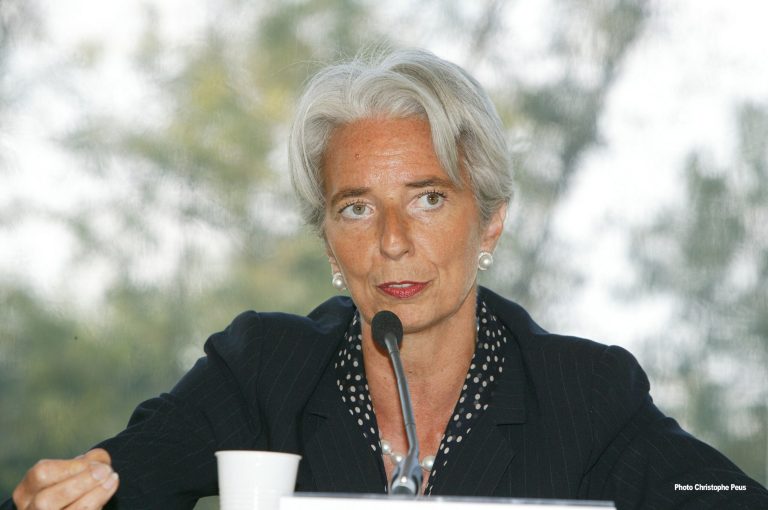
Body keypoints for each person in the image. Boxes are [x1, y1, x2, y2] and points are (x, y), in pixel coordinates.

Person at [5, 48, 768, 510]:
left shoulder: (584, 391)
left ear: (491, 219)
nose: (393, 242)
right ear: (329, 240)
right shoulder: (267, 369)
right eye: (357, 207)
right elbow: (125, 476)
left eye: (429, 199)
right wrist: (75, 491)